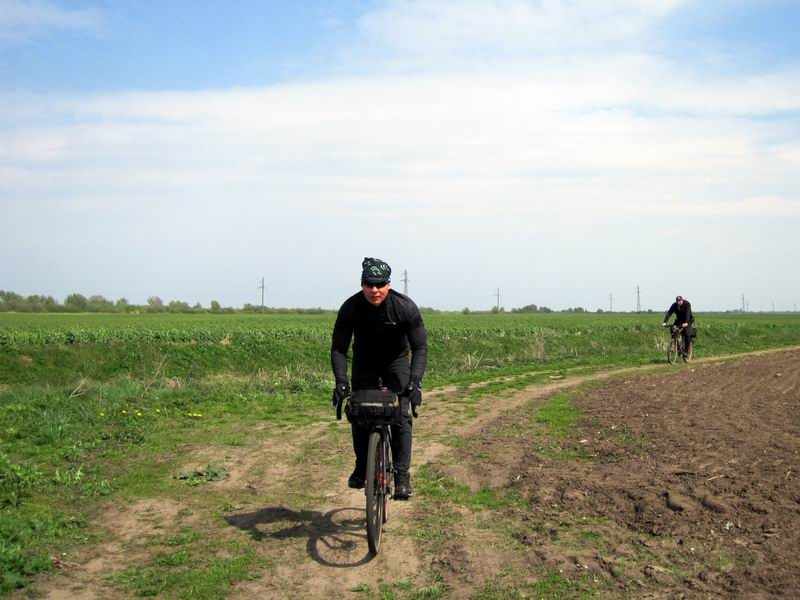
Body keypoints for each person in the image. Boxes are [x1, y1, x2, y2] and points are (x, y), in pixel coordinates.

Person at [331, 257, 428, 500]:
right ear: (362, 284)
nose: (375, 290)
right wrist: (341, 382)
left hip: (396, 361)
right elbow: (339, 348)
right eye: (369, 285)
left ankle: (402, 476)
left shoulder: (404, 307)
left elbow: (420, 348)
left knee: (401, 415)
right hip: (365, 360)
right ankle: (362, 465)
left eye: (380, 284)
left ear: (388, 284)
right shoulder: (351, 307)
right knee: (359, 412)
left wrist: (415, 382)